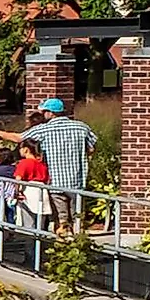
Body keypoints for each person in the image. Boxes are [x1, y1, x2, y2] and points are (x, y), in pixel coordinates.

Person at [16, 98, 97, 232]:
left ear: (51, 113)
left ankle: (63, 241)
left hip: (55, 182)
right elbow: (92, 148)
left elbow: (20, 138)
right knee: (77, 216)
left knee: (61, 219)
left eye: (44, 112)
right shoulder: (81, 127)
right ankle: (78, 240)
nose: (43, 114)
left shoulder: (43, 129)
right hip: (77, 181)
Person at [14, 137, 52, 231]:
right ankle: (39, 244)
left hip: (29, 191)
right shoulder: (42, 165)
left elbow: (18, 179)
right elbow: (48, 180)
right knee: (40, 224)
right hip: (42, 192)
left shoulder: (24, 163)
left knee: (28, 223)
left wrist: (16, 192)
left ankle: (30, 244)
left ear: (26, 149)